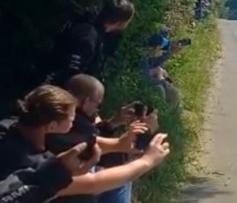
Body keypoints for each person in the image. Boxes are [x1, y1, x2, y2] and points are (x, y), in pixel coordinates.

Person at [0, 85, 170, 202]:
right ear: (52, 125)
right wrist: (147, 161)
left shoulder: (17, 126)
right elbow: (94, 183)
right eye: (72, 118)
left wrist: (119, 144)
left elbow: (82, 145)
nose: (74, 122)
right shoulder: (33, 163)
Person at [39, 0, 136, 87]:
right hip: (51, 93)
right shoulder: (88, 36)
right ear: (120, 23)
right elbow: (71, 73)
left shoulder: (92, 32)